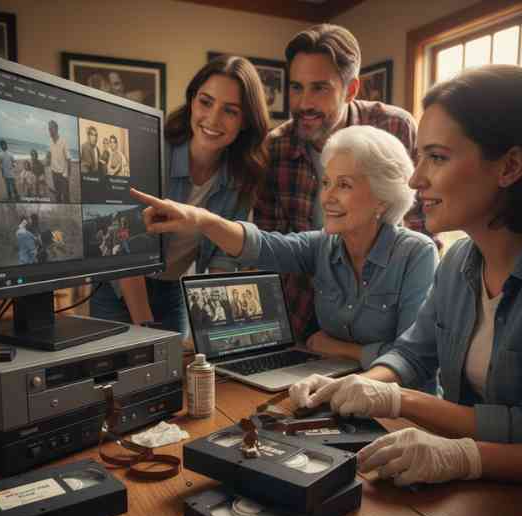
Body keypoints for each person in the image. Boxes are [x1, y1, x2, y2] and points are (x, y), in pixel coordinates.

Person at [289, 65, 522, 485]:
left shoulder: (421, 253)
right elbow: (414, 353)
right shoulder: (456, 263)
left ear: (509, 167)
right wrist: (362, 385)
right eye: (419, 157)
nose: (415, 179)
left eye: (437, 157)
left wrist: (466, 455)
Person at [130, 124, 439, 373]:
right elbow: (261, 246)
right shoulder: (323, 245)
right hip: (333, 386)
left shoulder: (416, 253)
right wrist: (201, 219)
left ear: (383, 198)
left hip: (398, 409)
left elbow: (412, 357)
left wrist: (344, 349)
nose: (328, 197)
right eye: (327, 183)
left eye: (344, 185)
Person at [255, 24, 436, 342]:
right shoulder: (276, 148)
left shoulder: (395, 127)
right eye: (296, 88)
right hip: (305, 322)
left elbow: (422, 227)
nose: (303, 103)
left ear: (351, 89)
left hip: (386, 322)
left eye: (319, 88)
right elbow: (272, 250)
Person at [89, 55, 270, 335]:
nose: (212, 119)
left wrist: (217, 333)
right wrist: (146, 326)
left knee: (177, 372)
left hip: (171, 287)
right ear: (192, 100)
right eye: (205, 102)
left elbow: (223, 261)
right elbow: (125, 243)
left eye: (230, 111)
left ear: (246, 121)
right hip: (118, 286)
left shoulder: (243, 178)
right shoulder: (150, 149)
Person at [45, 120, 70, 202]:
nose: (49, 131)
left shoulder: (64, 141)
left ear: (56, 129)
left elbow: (68, 159)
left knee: (66, 196)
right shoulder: (50, 142)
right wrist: (46, 161)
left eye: (51, 128)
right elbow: (48, 158)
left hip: (63, 175)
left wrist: (67, 175)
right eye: (49, 129)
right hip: (54, 173)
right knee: (57, 195)